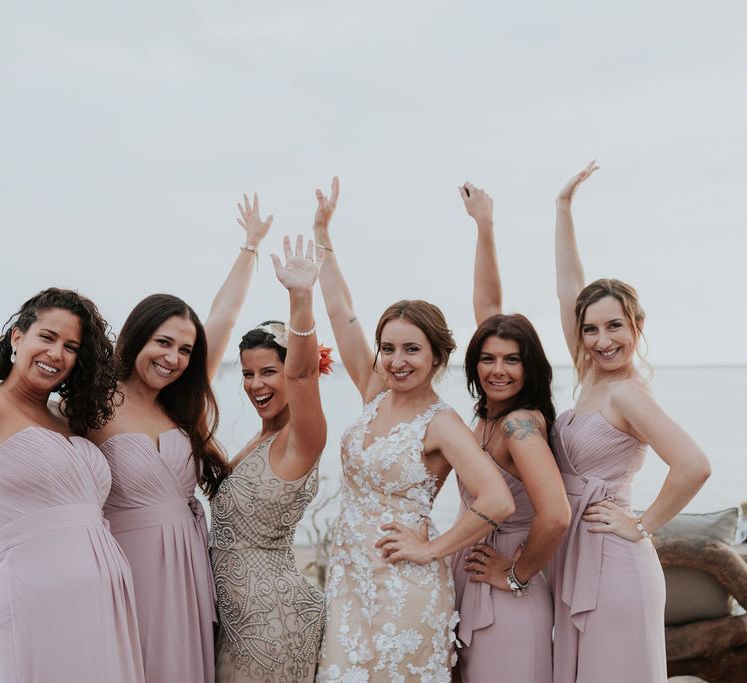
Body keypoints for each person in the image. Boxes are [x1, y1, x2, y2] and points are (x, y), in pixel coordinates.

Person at [312, 178, 515, 682]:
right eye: (389, 348)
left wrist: (432, 547)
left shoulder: (441, 424)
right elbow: (341, 311)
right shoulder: (374, 392)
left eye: (411, 350)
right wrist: (322, 233)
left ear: (437, 356)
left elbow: (497, 499)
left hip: (407, 586)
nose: (396, 361)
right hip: (348, 576)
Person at [91, 193, 273, 683]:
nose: (173, 358)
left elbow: (224, 314)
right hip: (128, 566)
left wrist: (250, 246)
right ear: (136, 338)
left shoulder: (180, 402)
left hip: (190, 562)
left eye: (185, 350)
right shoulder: (90, 405)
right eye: (163, 343)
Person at [551, 162, 711, 683]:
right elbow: (568, 290)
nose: (603, 339)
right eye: (592, 329)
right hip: (579, 553)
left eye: (615, 325)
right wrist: (563, 209)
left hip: (615, 563)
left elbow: (693, 465)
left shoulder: (628, 394)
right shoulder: (591, 374)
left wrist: (642, 524)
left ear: (636, 326)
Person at [451, 183, 571, 683]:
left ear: (530, 367)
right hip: (475, 578)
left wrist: (516, 575)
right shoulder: (491, 416)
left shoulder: (520, 425)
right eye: (488, 358)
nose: (498, 369)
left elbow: (557, 515)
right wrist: (484, 227)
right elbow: (488, 306)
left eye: (512, 360)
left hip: (509, 597)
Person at [0, 288, 145, 682]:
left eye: (71, 347)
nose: (56, 354)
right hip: (34, 600)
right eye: (46, 337)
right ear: (18, 337)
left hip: (102, 602)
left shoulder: (67, 418)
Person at [209, 233, 328, 682]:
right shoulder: (259, 440)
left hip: (271, 623)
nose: (255, 384)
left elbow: (303, 374)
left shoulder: (303, 438)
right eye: (247, 373)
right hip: (236, 620)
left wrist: (301, 298)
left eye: (268, 372)